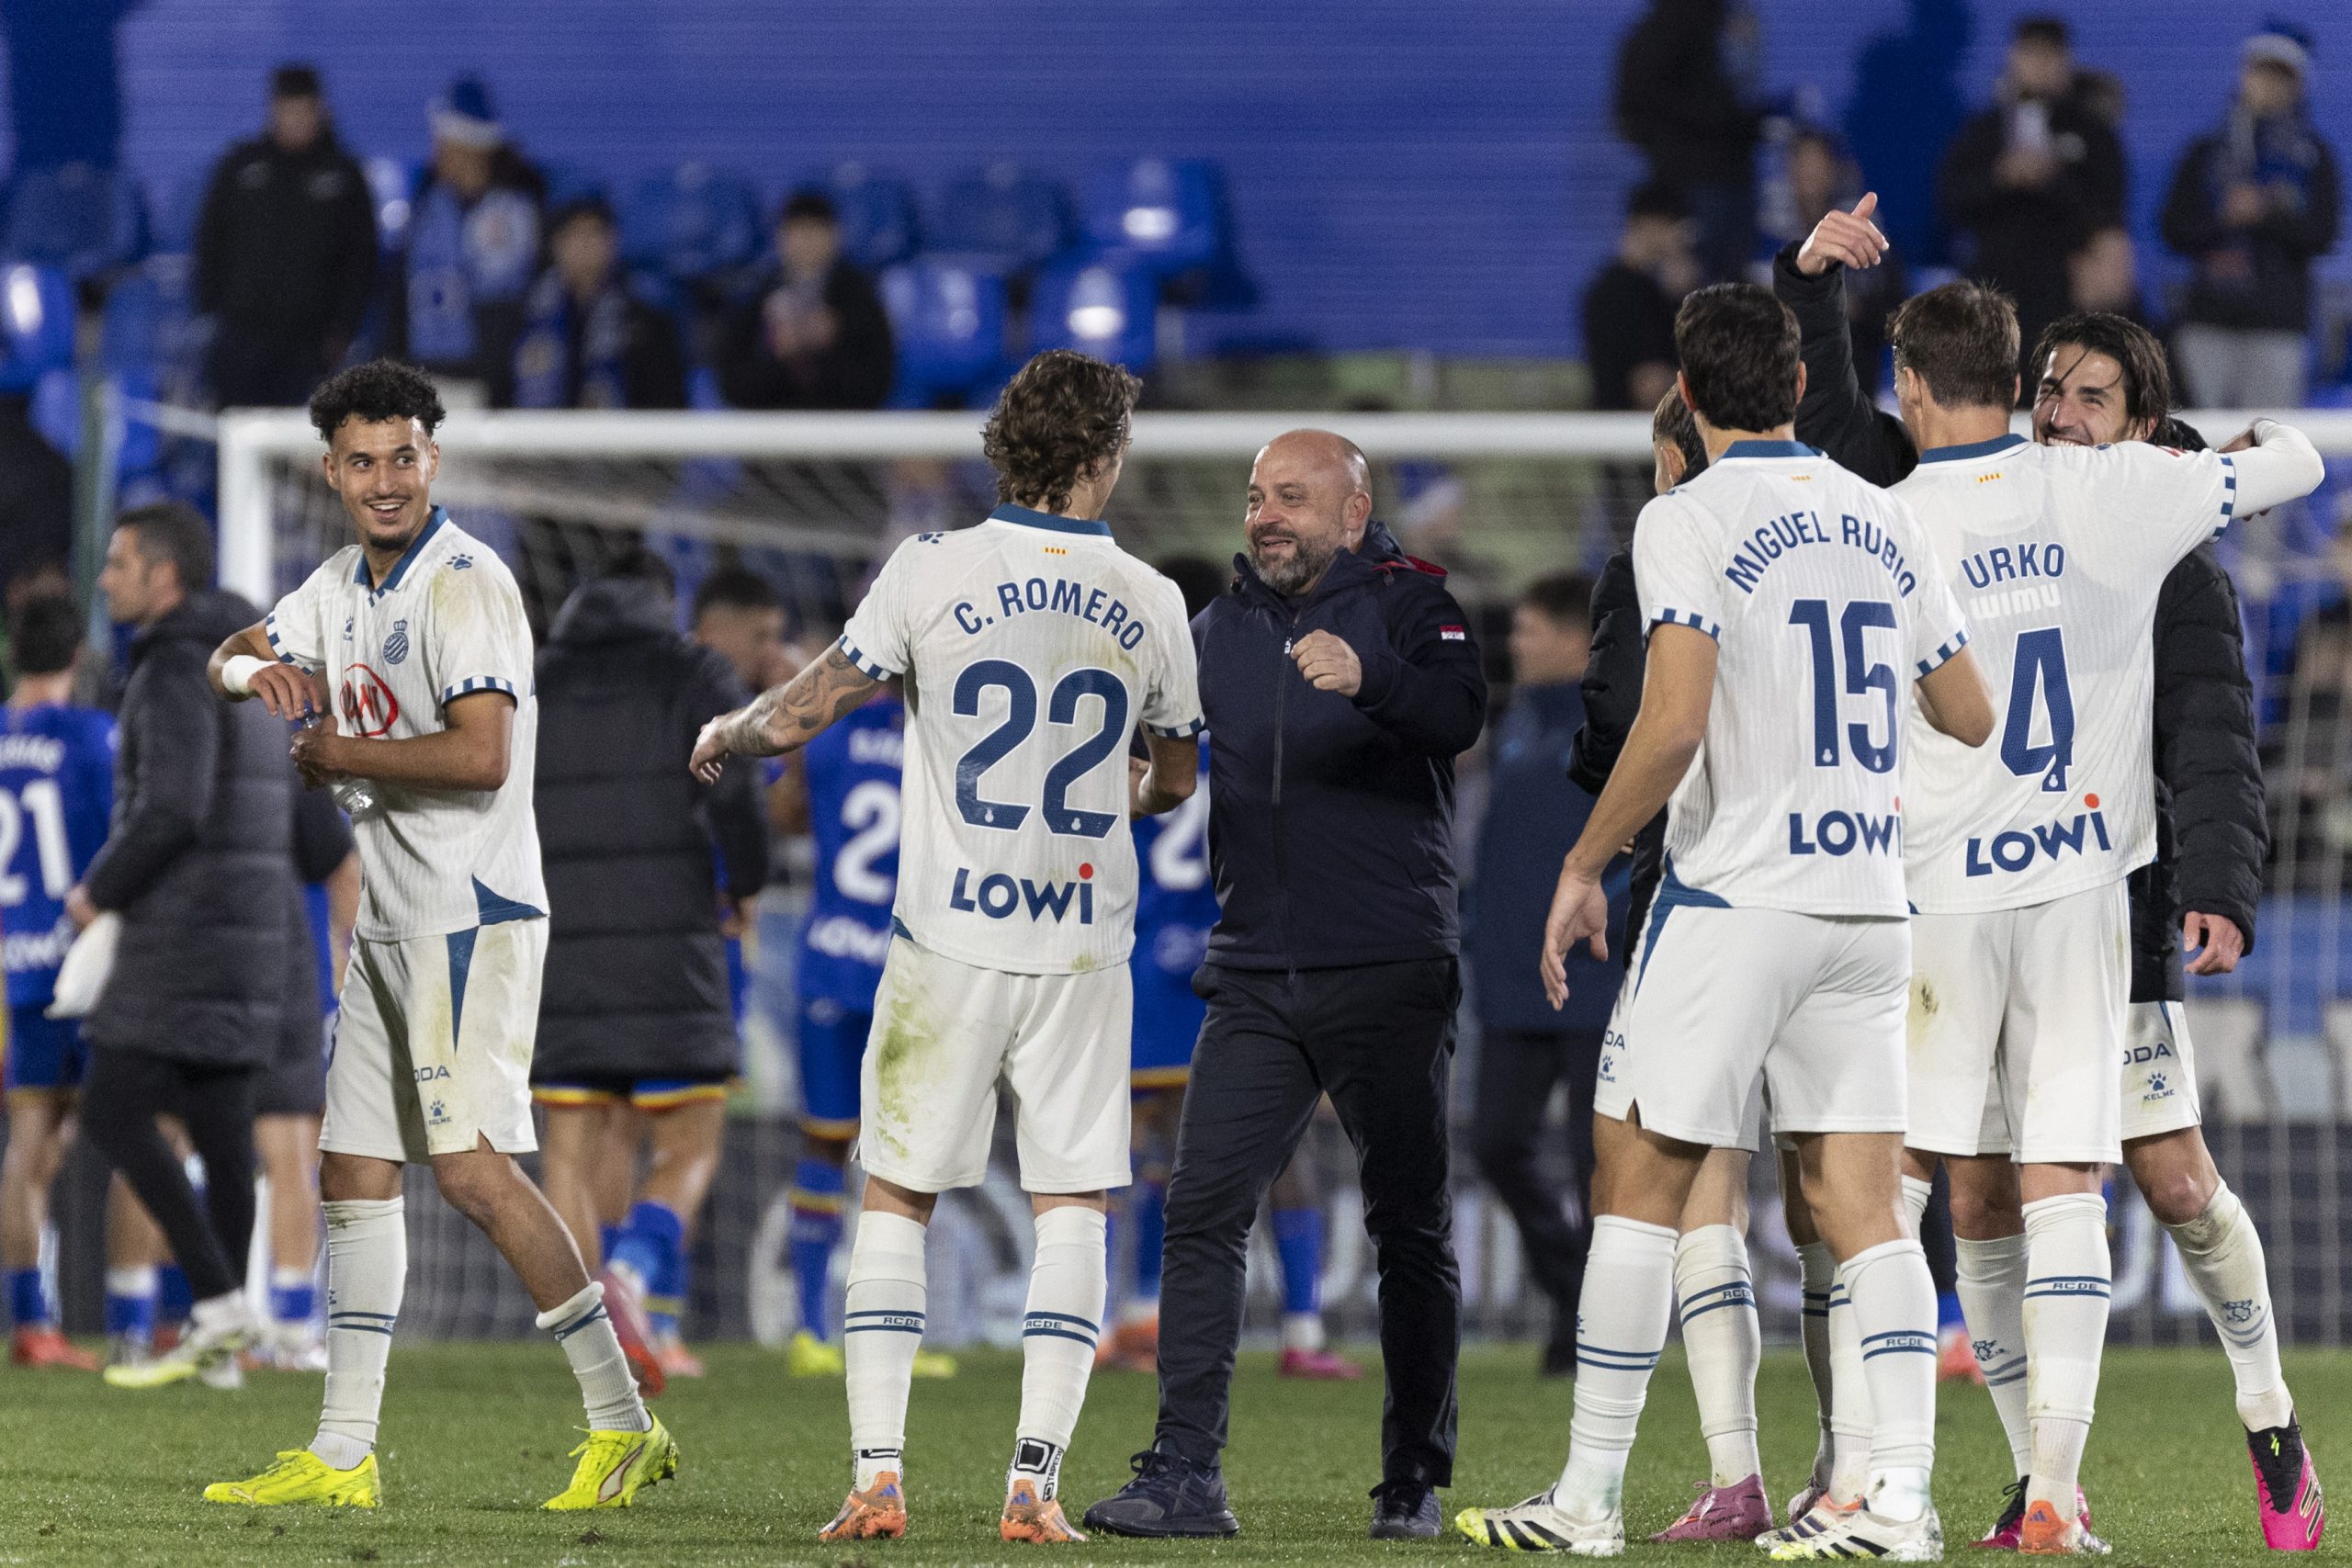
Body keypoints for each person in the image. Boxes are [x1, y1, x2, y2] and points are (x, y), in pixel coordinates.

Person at [1781, 194, 2330, 1551]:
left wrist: (2221, 882)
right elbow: (2304, 461)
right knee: (1990, 1186)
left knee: (2175, 1180)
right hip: (2045, 888)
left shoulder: (2117, 538)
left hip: (2109, 902)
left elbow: (2210, 729)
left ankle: (2262, 1413)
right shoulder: (2084, 497)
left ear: (2138, 418)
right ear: (2015, 391)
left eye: (2096, 397)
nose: (2068, 413)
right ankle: (2038, 1484)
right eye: (2051, 390)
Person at [1456, 282, 1997, 1561]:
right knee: (1865, 1203)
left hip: (1735, 896)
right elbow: (1971, 712)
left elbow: (1678, 718)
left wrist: (1587, 859)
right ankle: (1900, 1502)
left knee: (1634, 1177)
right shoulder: (1885, 515)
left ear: (1689, 399)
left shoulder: (1683, 515)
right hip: (1867, 904)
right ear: (1802, 387)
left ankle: (1586, 1496)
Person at [690, 348, 1203, 1547]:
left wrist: (728, 728)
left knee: (898, 1194)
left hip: (946, 944)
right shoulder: (1154, 599)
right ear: (1103, 457)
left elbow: (809, 706)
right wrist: (1119, 790)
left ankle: (878, 1475)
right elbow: (1173, 774)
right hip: (1081, 944)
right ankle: (1034, 1482)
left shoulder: (930, 569)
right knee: (1076, 1198)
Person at [200, 360, 673, 1510]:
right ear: (332, 472)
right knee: (352, 1166)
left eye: (402, 456)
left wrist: (334, 751)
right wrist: (266, 671)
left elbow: (481, 756)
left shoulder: (466, 583)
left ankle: (625, 1423)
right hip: (393, 925)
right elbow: (225, 654)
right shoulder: (336, 585)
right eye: (361, 461)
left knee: (470, 1173)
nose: (384, 480)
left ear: (434, 460)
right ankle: (344, 1453)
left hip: (472, 916)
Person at [1084, 429, 1486, 1545]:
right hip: (1254, 971)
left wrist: (1374, 682)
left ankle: (1411, 1476)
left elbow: (1457, 717)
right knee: (1202, 1208)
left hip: (1389, 964)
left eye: (1293, 497)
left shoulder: (1414, 604)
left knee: (1409, 1227)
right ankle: (1184, 1474)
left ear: (1352, 515)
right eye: (1257, 494)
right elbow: (1161, 763)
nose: (1266, 514)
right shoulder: (1213, 628)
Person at [1105, 552, 1362, 1384]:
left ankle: (1135, 1316)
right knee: (1278, 1147)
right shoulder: (1258, 713)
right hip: (1241, 954)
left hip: (1145, 961)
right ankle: (1301, 1326)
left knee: (1140, 1146)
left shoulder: (1128, 721)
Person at [530, 547, 769, 1391]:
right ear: (662, 603)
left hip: (556, 934)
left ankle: (593, 1345)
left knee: (574, 1134)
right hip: (670, 927)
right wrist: (744, 882)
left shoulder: (535, 676)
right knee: (692, 1131)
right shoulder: (691, 669)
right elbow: (736, 785)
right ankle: (632, 1271)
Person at [69, 505, 291, 1393]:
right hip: (249, 933)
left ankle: (217, 1305)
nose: (104, 578)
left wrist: (100, 888)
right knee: (220, 1125)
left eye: (118, 562)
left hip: (187, 930)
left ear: (163, 578)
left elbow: (173, 808)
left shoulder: (169, 668)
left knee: (112, 1105)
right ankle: (224, 1347)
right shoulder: (254, 666)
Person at [1465, 571, 1624, 1381]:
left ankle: (1593, 1327)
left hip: (1596, 976)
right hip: (1511, 977)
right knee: (1495, 1142)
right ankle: (1570, 1285)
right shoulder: (1519, 719)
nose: (1516, 645)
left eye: (1528, 631)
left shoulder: (1614, 717)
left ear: (1570, 636)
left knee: (1599, 1162)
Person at [0, 593, 115, 1370]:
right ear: (77, 654)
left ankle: (30, 1322)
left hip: (16, 968)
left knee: (30, 1144)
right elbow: (127, 842)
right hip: (87, 962)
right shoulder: (92, 738)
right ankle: (161, 1314)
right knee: (157, 1130)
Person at [1938, 17, 2126, 393]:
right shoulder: (1984, 130)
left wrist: (2053, 179)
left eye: (2050, 56)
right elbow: (1949, 202)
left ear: (2066, 63)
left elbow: (2109, 209)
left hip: (2067, 293)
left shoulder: (2091, 131)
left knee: (2061, 394)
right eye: (2031, 54)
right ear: (2013, 58)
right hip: (1993, 291)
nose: (2040, 65)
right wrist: (2000, 177)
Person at [2161, 25, 2341, 410]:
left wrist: (2265, 213)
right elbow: (2173, 229)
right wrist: (2224, 217)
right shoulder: (2206, 151)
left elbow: (2324, 234)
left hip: (2277, 325)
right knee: (2197, 442)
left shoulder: (2313, 158)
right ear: (2244, 75)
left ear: (2298, 86)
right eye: (2261, 72)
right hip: (2207, 320)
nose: (2269, 85)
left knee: (2269, 445)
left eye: (2282, 76)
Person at [253, 777, 359, 1371]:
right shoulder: (290, 765)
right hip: (292, 977)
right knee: (293, 1140)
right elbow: (344, 874)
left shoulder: (179, 749)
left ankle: (169, 1316)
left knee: (184, 1139)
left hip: (197, 972)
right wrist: (356, 967)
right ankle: (292, 1320)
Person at [195, 63, 378, 409]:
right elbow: (210, 244)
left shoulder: (343, 175)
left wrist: (344, 328)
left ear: (320, 110)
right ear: (273, 110)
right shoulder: (240, 168)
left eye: (304, 110)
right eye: (287, 109)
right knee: (238, 438)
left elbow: (361, 259)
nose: (296, 119)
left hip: (312, 343)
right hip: (242, 338)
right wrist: (214, 315)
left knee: (303, 448)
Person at [391, 77, 545, 407]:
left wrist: (495, 388)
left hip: (472, 380)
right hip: (422, 375)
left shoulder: (507, 212)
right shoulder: (431, 205)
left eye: (444, 144)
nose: (436, 154)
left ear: (470, 149)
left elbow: (501, 312)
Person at [1610, 0, 1765, 282]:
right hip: (1694, 191)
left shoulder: (1726, 22)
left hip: (1731, 186)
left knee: (1729, 297)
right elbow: (1633, 113)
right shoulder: (1667, 30)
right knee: (1701, 294)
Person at [716, 190, 894, 412]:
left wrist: (834, 340)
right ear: (780, 237)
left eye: (815, 230)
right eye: (798, 230)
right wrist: (778, 354)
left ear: (835, 236)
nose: (807, 241)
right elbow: (733, 387)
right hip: (772, 431)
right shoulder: (753, 300)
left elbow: (877, 384)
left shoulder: (861, 299)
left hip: (842, 431)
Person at [512, 194, 688, 412]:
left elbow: (667, 403)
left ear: (614, 242)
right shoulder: (524, 314)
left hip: (622, 441)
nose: (585, 244)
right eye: (574, 234)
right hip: (539, 440)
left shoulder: (646, 318)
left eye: (596, 232)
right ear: (554, 244)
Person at [1582, 181, 1697, 413]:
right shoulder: (1633, 293)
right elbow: (1650, 386)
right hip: (1636, 434)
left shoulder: (1603, 288)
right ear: (1654, 226)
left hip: (1612, 429)